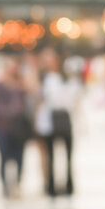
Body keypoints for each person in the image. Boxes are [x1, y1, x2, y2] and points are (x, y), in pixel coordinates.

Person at [0, 56, 29, 198]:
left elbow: (31, 90)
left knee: (19, 157)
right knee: (3, 157)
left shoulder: (21, 82)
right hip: (1, 124)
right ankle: (5, 186)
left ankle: (17, 184)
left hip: (19, 125)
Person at [37, 48, 76, 198]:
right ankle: (52, 185)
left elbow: (67, 99)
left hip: (61, 119)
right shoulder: (47, 78)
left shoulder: (61, 78)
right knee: (51, 156)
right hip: (51, 121)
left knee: (65, 156)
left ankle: (65, 185)